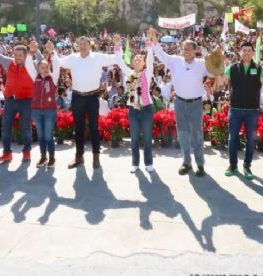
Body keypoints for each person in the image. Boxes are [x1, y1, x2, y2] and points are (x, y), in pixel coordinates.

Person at [149, 28, 215, 177]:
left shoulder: (201, 64)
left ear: (195, 50)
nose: (185, 51)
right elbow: (160, 54)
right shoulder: (175, 61)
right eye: (184, 49)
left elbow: (214, 72)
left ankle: (200, 164)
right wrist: (154, 41)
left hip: (196, 103)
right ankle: (186, 162)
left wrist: (215, 61)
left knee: (197, 135)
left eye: (188, 49)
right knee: (183, 134)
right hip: (179, 103)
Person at [54, 35, 123, 169]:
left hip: (92, 97)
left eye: (85, 43)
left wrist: (117, 45)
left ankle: (96, 157)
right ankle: (79, 157)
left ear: (90, 45)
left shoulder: (97, 57)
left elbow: (115, 58)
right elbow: (58, 61)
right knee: (78, 128)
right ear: (77, 46)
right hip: (77, 97)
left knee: (94, 128)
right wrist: (52, 51)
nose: (83, 45)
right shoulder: (72, 58)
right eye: (80, 43)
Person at [0, 30, 40, 163]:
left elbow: (43, 60)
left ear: (26, 55)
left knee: (26, 127)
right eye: (15, 55)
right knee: (5, 127)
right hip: (10, 101)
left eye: (20, 55)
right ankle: (7, 153)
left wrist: (35, 50)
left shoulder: (32, 64)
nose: (17, 57)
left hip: (26, 101)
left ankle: (27, 152)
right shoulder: (9, 62)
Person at [219, 42, 263, 180]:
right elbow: (221, 83)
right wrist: (217, 69)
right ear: (240, 52)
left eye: (249, 50)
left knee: (250, 140)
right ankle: (232, 165)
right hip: (235, 109)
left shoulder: (258, 69)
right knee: (232, 139)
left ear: (253, 52)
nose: (247, 52)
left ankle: (247, 166)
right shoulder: (232, 68)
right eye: (244, 50)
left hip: (252, 111)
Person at [118, 38, 156, 173]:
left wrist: (150, 47)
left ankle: (149, 162)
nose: (138, 59)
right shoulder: (129, 74)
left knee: (147, 138)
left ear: (144, 62)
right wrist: (118, 47)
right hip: (133, 110)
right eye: (136, 58)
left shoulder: (148, 73)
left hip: (146, 109)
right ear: (133, 62)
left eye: (141, 58)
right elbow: (121, 63)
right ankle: (135, 163)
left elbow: (151, 60)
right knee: (134, 138)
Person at [31, 41, 61, 168]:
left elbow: (58, 65)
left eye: (46, 67)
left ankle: (52, 158)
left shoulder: (53, 78)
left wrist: (52, 51)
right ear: (37, 69)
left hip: (49, 111)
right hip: (36, 110)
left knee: (48, 135)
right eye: (42, 67)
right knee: (41, 136)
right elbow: (28, 64)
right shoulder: (35, 77)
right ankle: (43, 157)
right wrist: (31, 51)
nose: (44, 69)